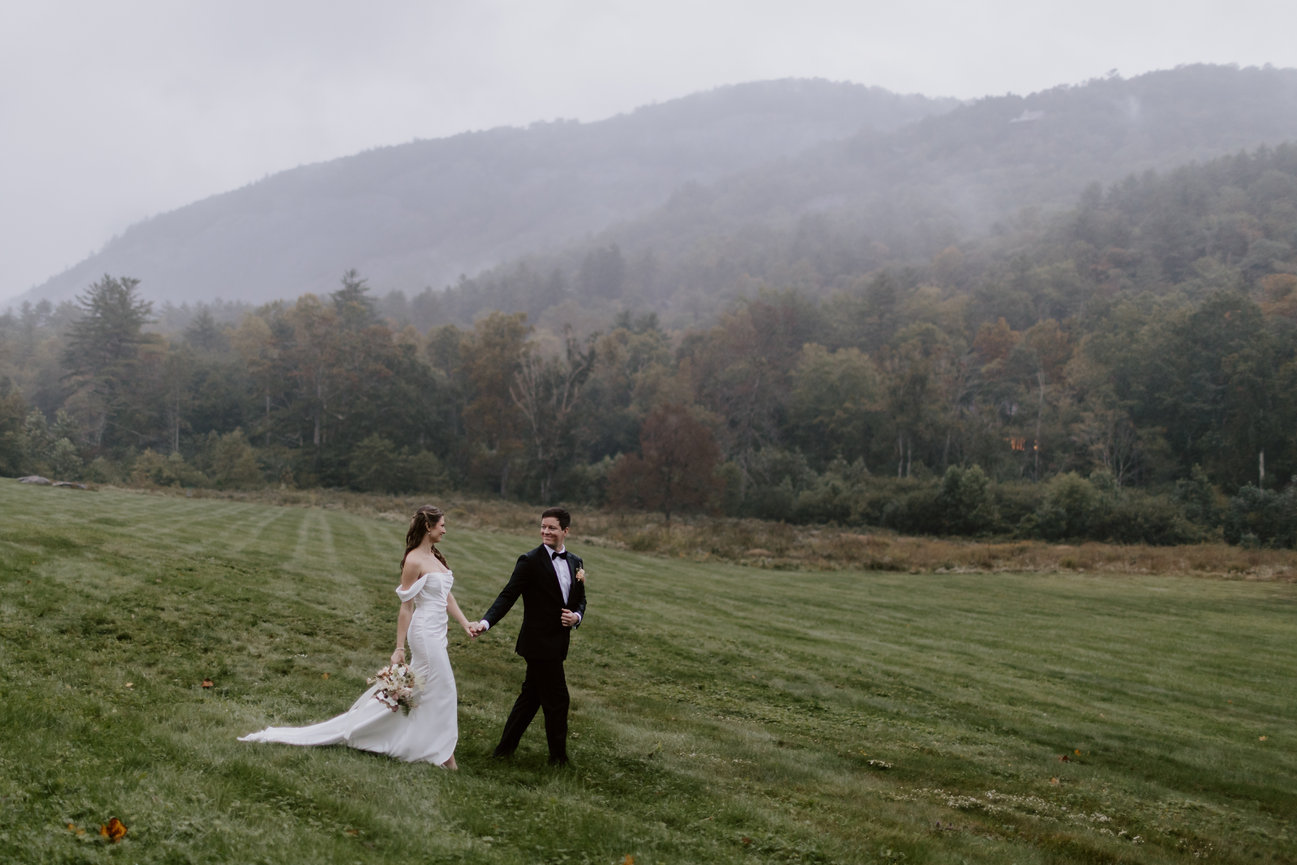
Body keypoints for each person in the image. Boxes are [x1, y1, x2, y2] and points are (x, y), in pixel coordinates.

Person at [240, 505, 473, 768]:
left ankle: (413, 740)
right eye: (441, 524)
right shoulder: (414, 560)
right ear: (428, 527)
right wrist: (399, 647)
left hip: (438, 632)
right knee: (444, 690)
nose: (445, 529)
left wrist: (464, 623)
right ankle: (445, 756)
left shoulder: (436, 558)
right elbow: (406, 607)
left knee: (421, 692)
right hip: (424, 634)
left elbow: (446, 596)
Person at [471, 506, 587, 766]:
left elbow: (581, 601)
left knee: (531, 697)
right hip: (537, 643)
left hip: (558, 642)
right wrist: (486, 622)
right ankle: (558, 759)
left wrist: (576, 617)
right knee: (558, 699)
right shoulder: (530, 560)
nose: (545, 531)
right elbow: (508, 595)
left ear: (565, 531)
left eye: (552, 527)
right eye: (543, 526)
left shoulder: (575, 562)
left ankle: (503, 751)